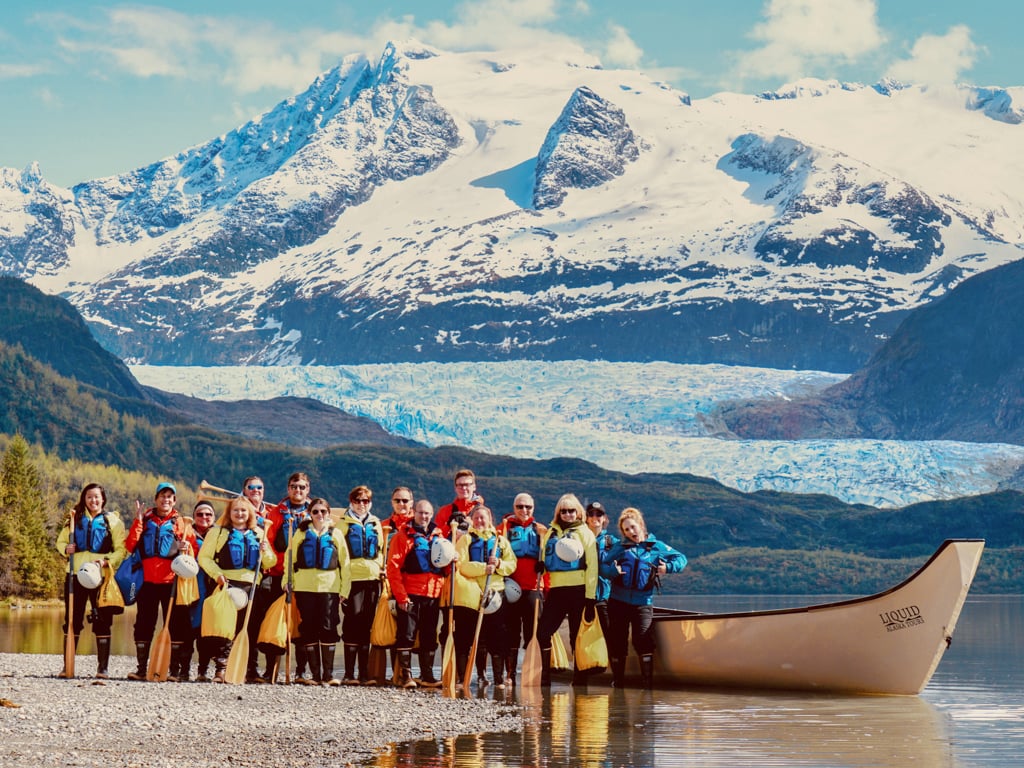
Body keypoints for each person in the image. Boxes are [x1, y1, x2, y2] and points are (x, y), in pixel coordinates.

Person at [600, 507, 686, 688]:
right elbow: (603, 566)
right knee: (618, 641)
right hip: (618, 601)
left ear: (640, 524)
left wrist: (667, 568)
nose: (631, 532)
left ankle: (647, 685)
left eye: (633, 527)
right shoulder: (620, 547)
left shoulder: (656, 547)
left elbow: (681, 559)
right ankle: (619, 683)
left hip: (643, 603)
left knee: (642, 640)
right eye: (626, 530)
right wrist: (611, 572)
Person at [197, 496, 277, 682]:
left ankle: (250, 669)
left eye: (243, 510)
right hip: (227, 583)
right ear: (229, 513)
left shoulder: (258, 532)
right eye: (236, 510)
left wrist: (265, 550)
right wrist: (217, 574)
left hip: (252, 586)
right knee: (227, 628)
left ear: (250, 513)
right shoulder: (218, 532)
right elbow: (205, 557)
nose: (240, 514)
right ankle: (221, 669)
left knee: (250, 628)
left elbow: (270, 562)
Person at [124, 482, 197, 681]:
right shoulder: (145, 519)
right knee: (144, 624)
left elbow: (193, 553)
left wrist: (186, 547)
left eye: (170, 497)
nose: (166, 500)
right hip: (147, 582)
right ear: (156, 499)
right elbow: (130, 545)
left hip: (171, 582)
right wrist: (138, 522)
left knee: (175, 625)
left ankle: (173, 669)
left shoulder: (181, 523)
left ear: (174, 501)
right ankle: (141, 668)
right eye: (162, 496)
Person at [55, 483, 128, 679]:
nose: (93, 500)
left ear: (103, 499)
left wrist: (107, 562)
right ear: (84, 499)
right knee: (72, 620)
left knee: (102, 621)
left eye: (96, 497)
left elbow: (121, 550)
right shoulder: (74, 518)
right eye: (89, 497)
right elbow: (60, 542)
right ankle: (67, 666)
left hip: (101, 577)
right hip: (75, 575)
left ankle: (102, 669)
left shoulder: (113, 521)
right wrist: (66, 549)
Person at [535, 493, 597, 687]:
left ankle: (580, 678)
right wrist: (541, 566)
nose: (568, 514)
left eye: (571, 511)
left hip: (579, 590)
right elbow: (545, 558)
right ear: (558, 512)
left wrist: (590, 598)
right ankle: (545, 676)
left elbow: (592, 566)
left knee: (575, 636)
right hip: (557, 590)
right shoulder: (551, 533)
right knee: (543, 633)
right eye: (564, 511)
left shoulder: (585, 533)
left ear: (578, 512)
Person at [453, 504, 516, 689]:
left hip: (496, 593)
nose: (480, 521)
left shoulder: (500, 540)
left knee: (497, 637)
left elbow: (512, 564)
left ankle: (498, 678)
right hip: (472, 594)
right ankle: (464, 678)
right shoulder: (465, 540)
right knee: (467, 637)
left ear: (490, 519)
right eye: (477, 517)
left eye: (484, 517)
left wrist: (498, 564)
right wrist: (483, 568)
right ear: (472, 519)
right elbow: (462, 566)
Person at [289, 497, 351, 686]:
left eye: (323, 511)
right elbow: (289, 560)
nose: (319, 515)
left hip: (329, 587)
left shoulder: (336, 534)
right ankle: (315, 675)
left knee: (328, 627)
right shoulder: (300, 533)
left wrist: (344, 589)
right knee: (308, 628)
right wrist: (287, 581)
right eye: (315, 511)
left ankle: (328, 674)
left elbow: (345, 563)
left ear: (328, 513)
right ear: (310, 513)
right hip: (304, 587)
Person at [386, 499, 446, 688]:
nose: (424, 516)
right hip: (410, 593)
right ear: (414, 513)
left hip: (432, 594)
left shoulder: (438, 535)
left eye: (427, 513)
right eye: (420, 513)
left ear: (432, 514)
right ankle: (406, 675)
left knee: (429, 635)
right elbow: (393, 568)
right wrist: (401, 597)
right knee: (407, 634)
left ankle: (427, 675)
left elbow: (444, 566)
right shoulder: (403, 536)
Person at [259, 472, 312, 682]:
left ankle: (301, 670)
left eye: (301, 487)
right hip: (277, 575)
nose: (297, 491)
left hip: (304, 577)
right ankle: (271, 669)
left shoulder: (314, 512)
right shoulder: (275, 514)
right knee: (275, 622)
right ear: (288, 489)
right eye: (293, 487)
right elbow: (270, 543)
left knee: (302, 624)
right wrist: (270, 560)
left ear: (307, 489)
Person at [335, 485, 385, 684]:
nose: (361, 504)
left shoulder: (375, 524)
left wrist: (381, 566)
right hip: (352, 580)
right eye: (358, 500)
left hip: (372, 580)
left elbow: (381, 550)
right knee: (352, 622)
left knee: (367, 623)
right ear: (351, 501)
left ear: (370, 503)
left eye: (365, 501)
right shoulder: (343, 525)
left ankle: (364, 672)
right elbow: (338, 553)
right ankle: (349, 673)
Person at [499, 492, 547, 686]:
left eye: (528, 507)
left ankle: (531, 673)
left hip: (534, 588)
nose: (524, 510)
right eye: (520, 507)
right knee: (510, 633)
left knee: (532, 633)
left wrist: (546, 580)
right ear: (514, 507)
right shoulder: (503, 529)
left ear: (533, 508)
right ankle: (509, 674)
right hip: (510, 588)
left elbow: (549, 561)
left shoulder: (541, 530)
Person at [168, 500, 215, 682]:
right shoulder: (185, 532)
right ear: (194, 517)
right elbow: (169, 552)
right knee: (185, 629)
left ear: (213, 517)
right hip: (188, 585)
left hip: (210, 586)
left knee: (205, 631)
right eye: (200, 514)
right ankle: (183, 670)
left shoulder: (218, 534)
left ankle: (203, 671)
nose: (204, 518)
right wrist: (180, 549)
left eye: (208, 514)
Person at [378, 486, 416, 681]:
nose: (402, 504)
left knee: (405, 627)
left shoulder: (416, 526)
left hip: (409, 583)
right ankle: (385, 673)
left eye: (405, 501)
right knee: (387, 625)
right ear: (392, 503)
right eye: (397, 501)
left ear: (412, 503)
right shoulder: (383, 526)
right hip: (387, 582)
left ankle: (402, 673)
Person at [239, 475, 273, 683]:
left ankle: (269, 669)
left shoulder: (272, 513)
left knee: (264, 623)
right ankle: (248, 667)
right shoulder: (238, 511)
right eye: (251, 487)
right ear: (244, 490)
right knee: (247, 624)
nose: (255, 490)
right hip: (246, 576)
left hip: (269, 575)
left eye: (259, 487)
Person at [585, 501, 617, 641]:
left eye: (599, 514)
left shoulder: (613, 543)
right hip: (583, 598)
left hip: (605, 598)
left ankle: (611, 662)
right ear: (586, 518)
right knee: (582, 639)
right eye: (591, 514)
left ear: (604, 518)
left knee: (609, 638)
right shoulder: (579, 540)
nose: (595, 517)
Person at [435, 469, 482, 538]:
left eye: (467, 484)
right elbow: (436, 538)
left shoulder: (482, 512)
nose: (464, 488)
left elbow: (489, 536)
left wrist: (472, 526)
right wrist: (448, 525)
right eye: (460, 485)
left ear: (474, 487)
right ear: (455, 488)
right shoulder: (444, 511)